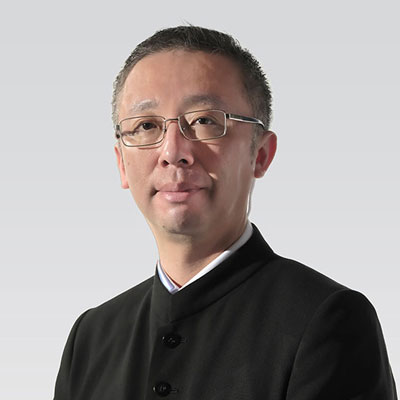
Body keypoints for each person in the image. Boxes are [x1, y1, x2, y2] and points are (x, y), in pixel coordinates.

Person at [53, 25, 397, 400]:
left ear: (260, 154)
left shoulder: (326, 320)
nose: (173, 152)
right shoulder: (91, 338)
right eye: (147, 125)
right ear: (122, 163)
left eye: (204, 121)